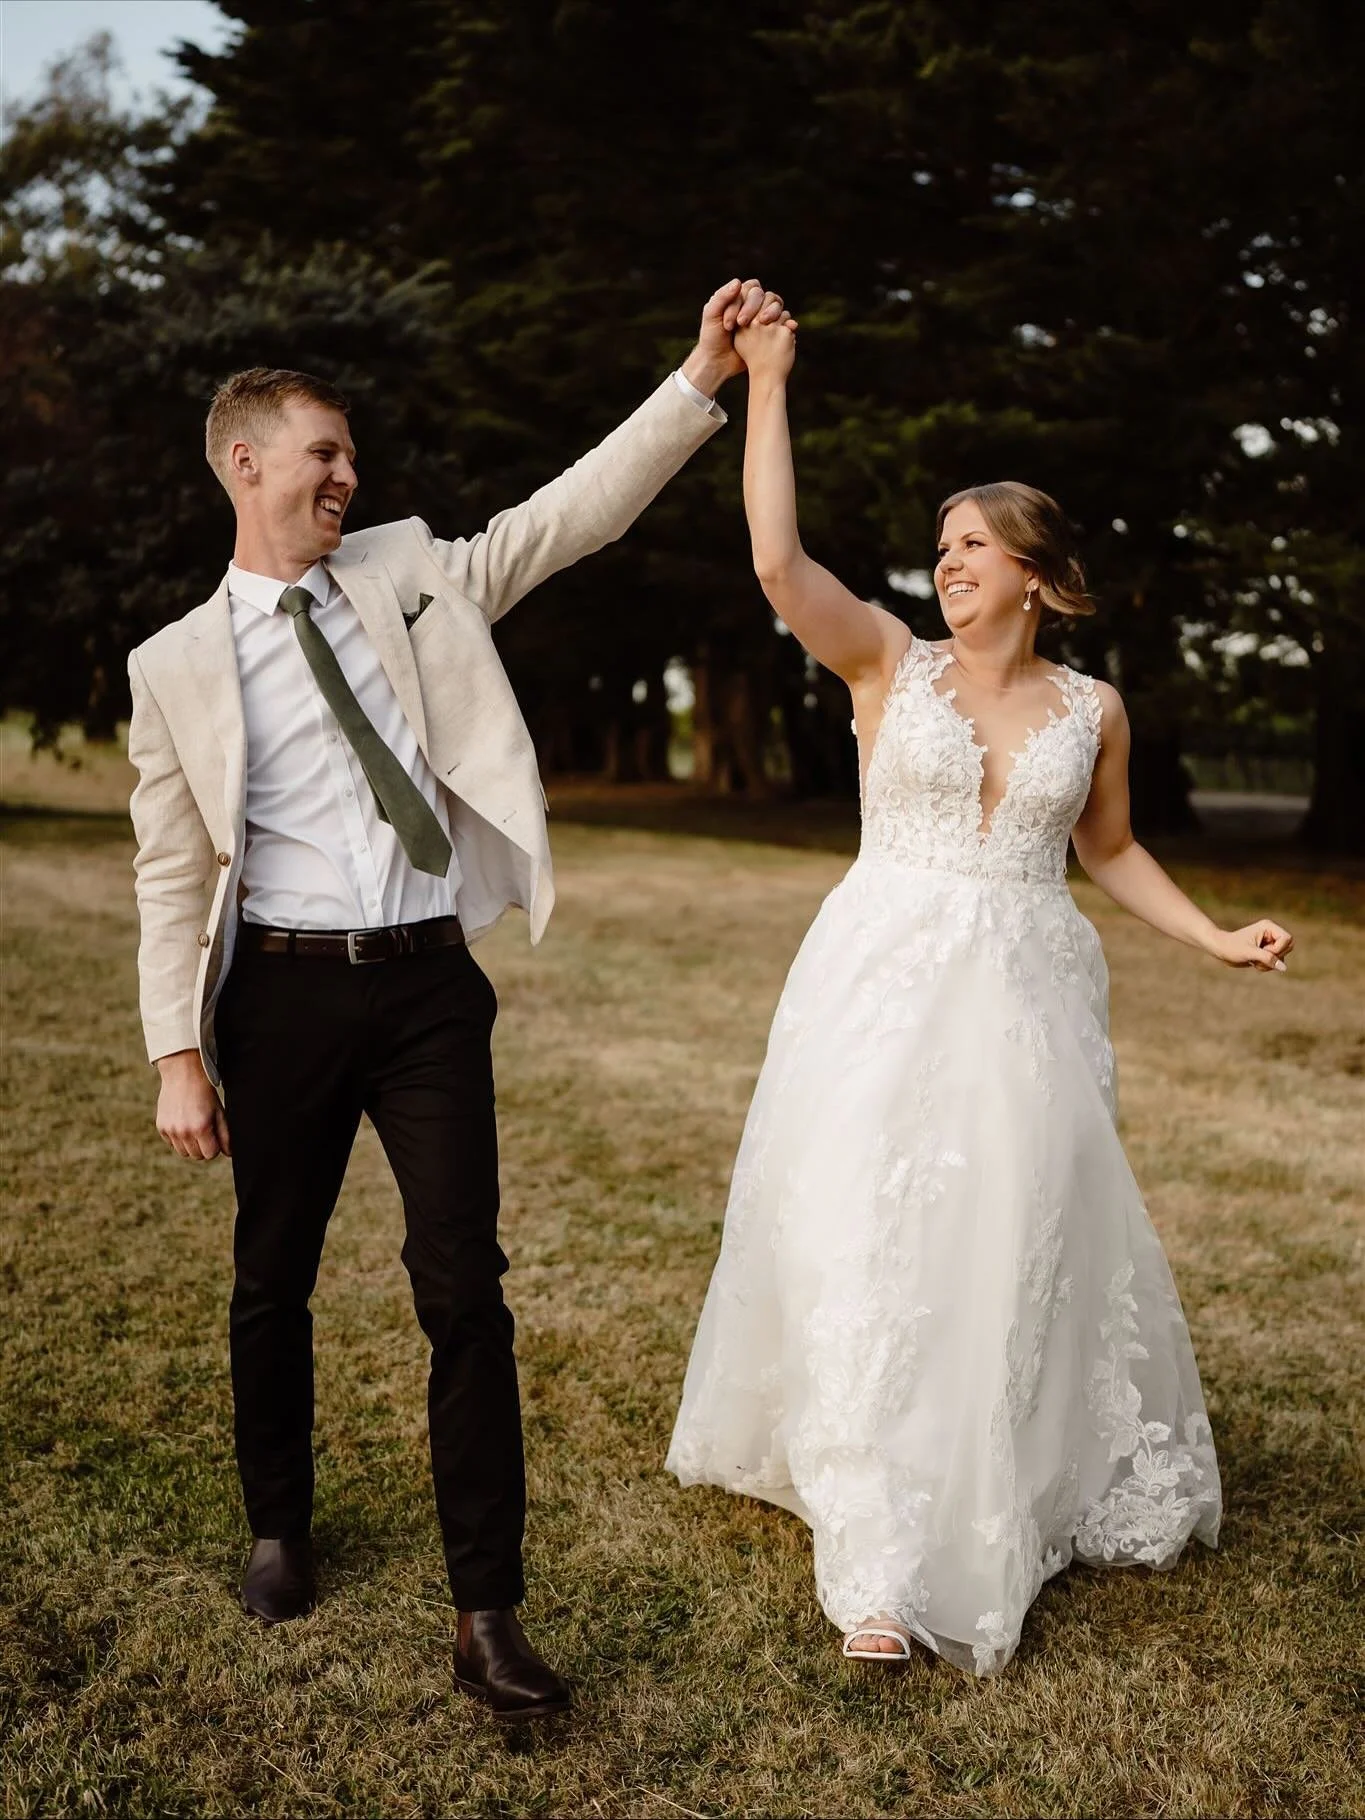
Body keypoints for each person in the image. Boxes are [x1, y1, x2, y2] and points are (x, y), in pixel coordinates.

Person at [126, 276, 790, 1723]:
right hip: (282, 1002)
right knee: (270, 1281)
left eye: (351, 461)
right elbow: (170, 870)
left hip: (429, 990)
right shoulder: (172, 664)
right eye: (324, 456)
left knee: (463, 1293)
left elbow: (573, 514)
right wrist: (178, 1050)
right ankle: (279, 1527)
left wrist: (702, 377)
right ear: (245, 462)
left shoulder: (412, 571)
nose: (347, 478)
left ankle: (488, 1613)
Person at [667, 313, 1295, 1674]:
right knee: (873, 1233)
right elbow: (778, 559)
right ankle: (882, 1565)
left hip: (1030, 988)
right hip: (882, 979)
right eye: (939, 548)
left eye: (972, 546)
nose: (948, 564)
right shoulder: (890, 665)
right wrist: (768, 383)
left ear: (1034, 573)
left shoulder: (1094, 711)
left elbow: (1111, 850)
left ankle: (1008, 1470)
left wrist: (1212, 938)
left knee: (1014, 1230)